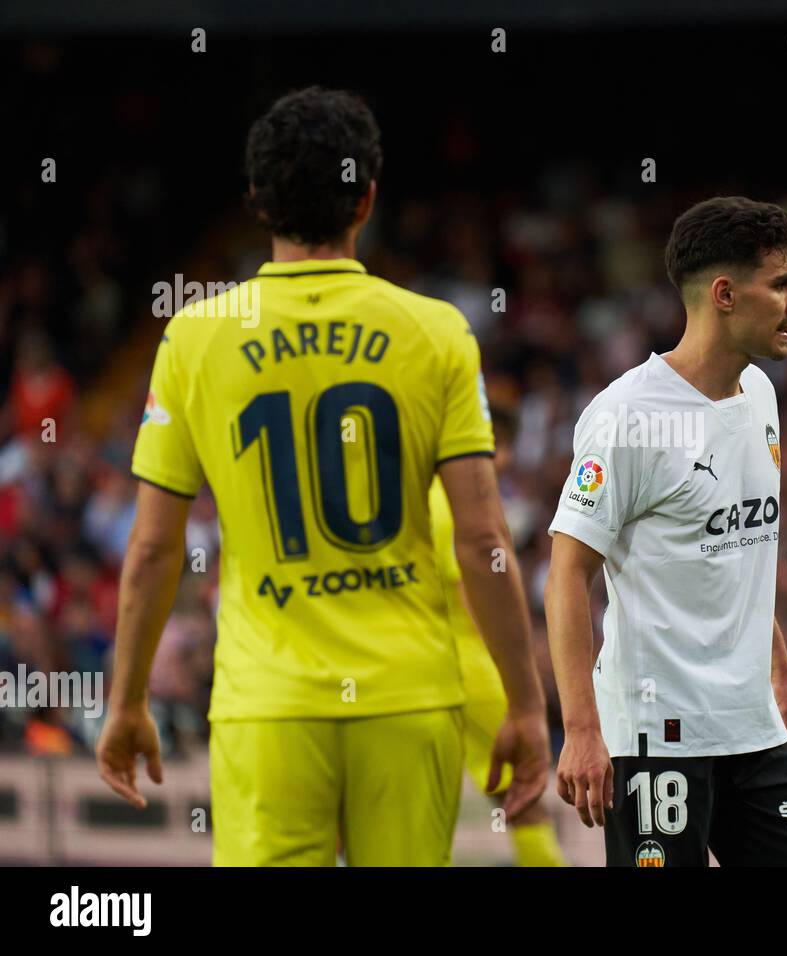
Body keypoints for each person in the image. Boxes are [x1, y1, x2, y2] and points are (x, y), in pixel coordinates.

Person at [96, 86, 548, 866]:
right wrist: (526, 703)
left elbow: (152, 551)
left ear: (255, 202)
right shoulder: (437, 332)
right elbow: (483, 539)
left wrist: (126, 698)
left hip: (269, 707)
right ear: (367, 199)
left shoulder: (193, 339)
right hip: (409, 700)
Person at [544, 196, 787, 867]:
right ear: (725, 294)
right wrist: (583, 730)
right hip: (655, 737)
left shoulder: (760, 394)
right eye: (782, 284)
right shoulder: (625, 418)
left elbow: (736, 554)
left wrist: (778, 667)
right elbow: (565, 578)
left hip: (751, 726)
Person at [432, 408, 566, 865]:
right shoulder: (464, 503)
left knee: (423, 807)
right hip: (473, 667)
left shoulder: (418, 495)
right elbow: (475, 593)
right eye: (496, 447)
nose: (504, 459)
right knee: (524, 799)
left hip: (415, 668)